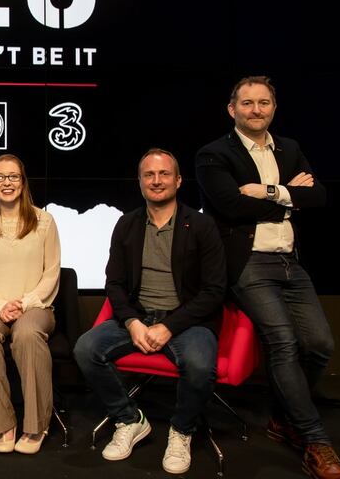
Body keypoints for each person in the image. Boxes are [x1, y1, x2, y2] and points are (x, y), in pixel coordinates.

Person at [195, 76, 340, 479]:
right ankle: (316, 442)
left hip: (290, 262)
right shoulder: (213, 154)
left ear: (274, 108)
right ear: (232, 109)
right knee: (282, 342)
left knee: (319, 345)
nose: (256, 110)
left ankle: (283, 419)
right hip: (248, 264)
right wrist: (288, 196)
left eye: (264, 103)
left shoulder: (290, 149)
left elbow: (318, 196)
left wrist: (266, 192)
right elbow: (229, 206)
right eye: (247, 103)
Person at [74, 149, 226, 474]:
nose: (156, 181)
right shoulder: (127, 224)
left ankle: (181, 430)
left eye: (164, 174)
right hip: (139, 316)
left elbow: (214, 290)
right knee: (86, 349)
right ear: (140, 182)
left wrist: (169, 326)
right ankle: (129, 420)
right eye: (149, 175)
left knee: (199, 366)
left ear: (178, 180)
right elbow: (113, 283)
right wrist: (131, 322)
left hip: (187, 320)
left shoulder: (201, 225)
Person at [0, 154, 60, 455]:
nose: (7, 183)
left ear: (23, 181)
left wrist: (26, 302)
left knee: (28, 335)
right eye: (0, 177)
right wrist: (0, 304)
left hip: (36, 307)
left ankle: (36, 424)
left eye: (13, 176)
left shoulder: (44, 221)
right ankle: (3, 422)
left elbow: (52, 272)